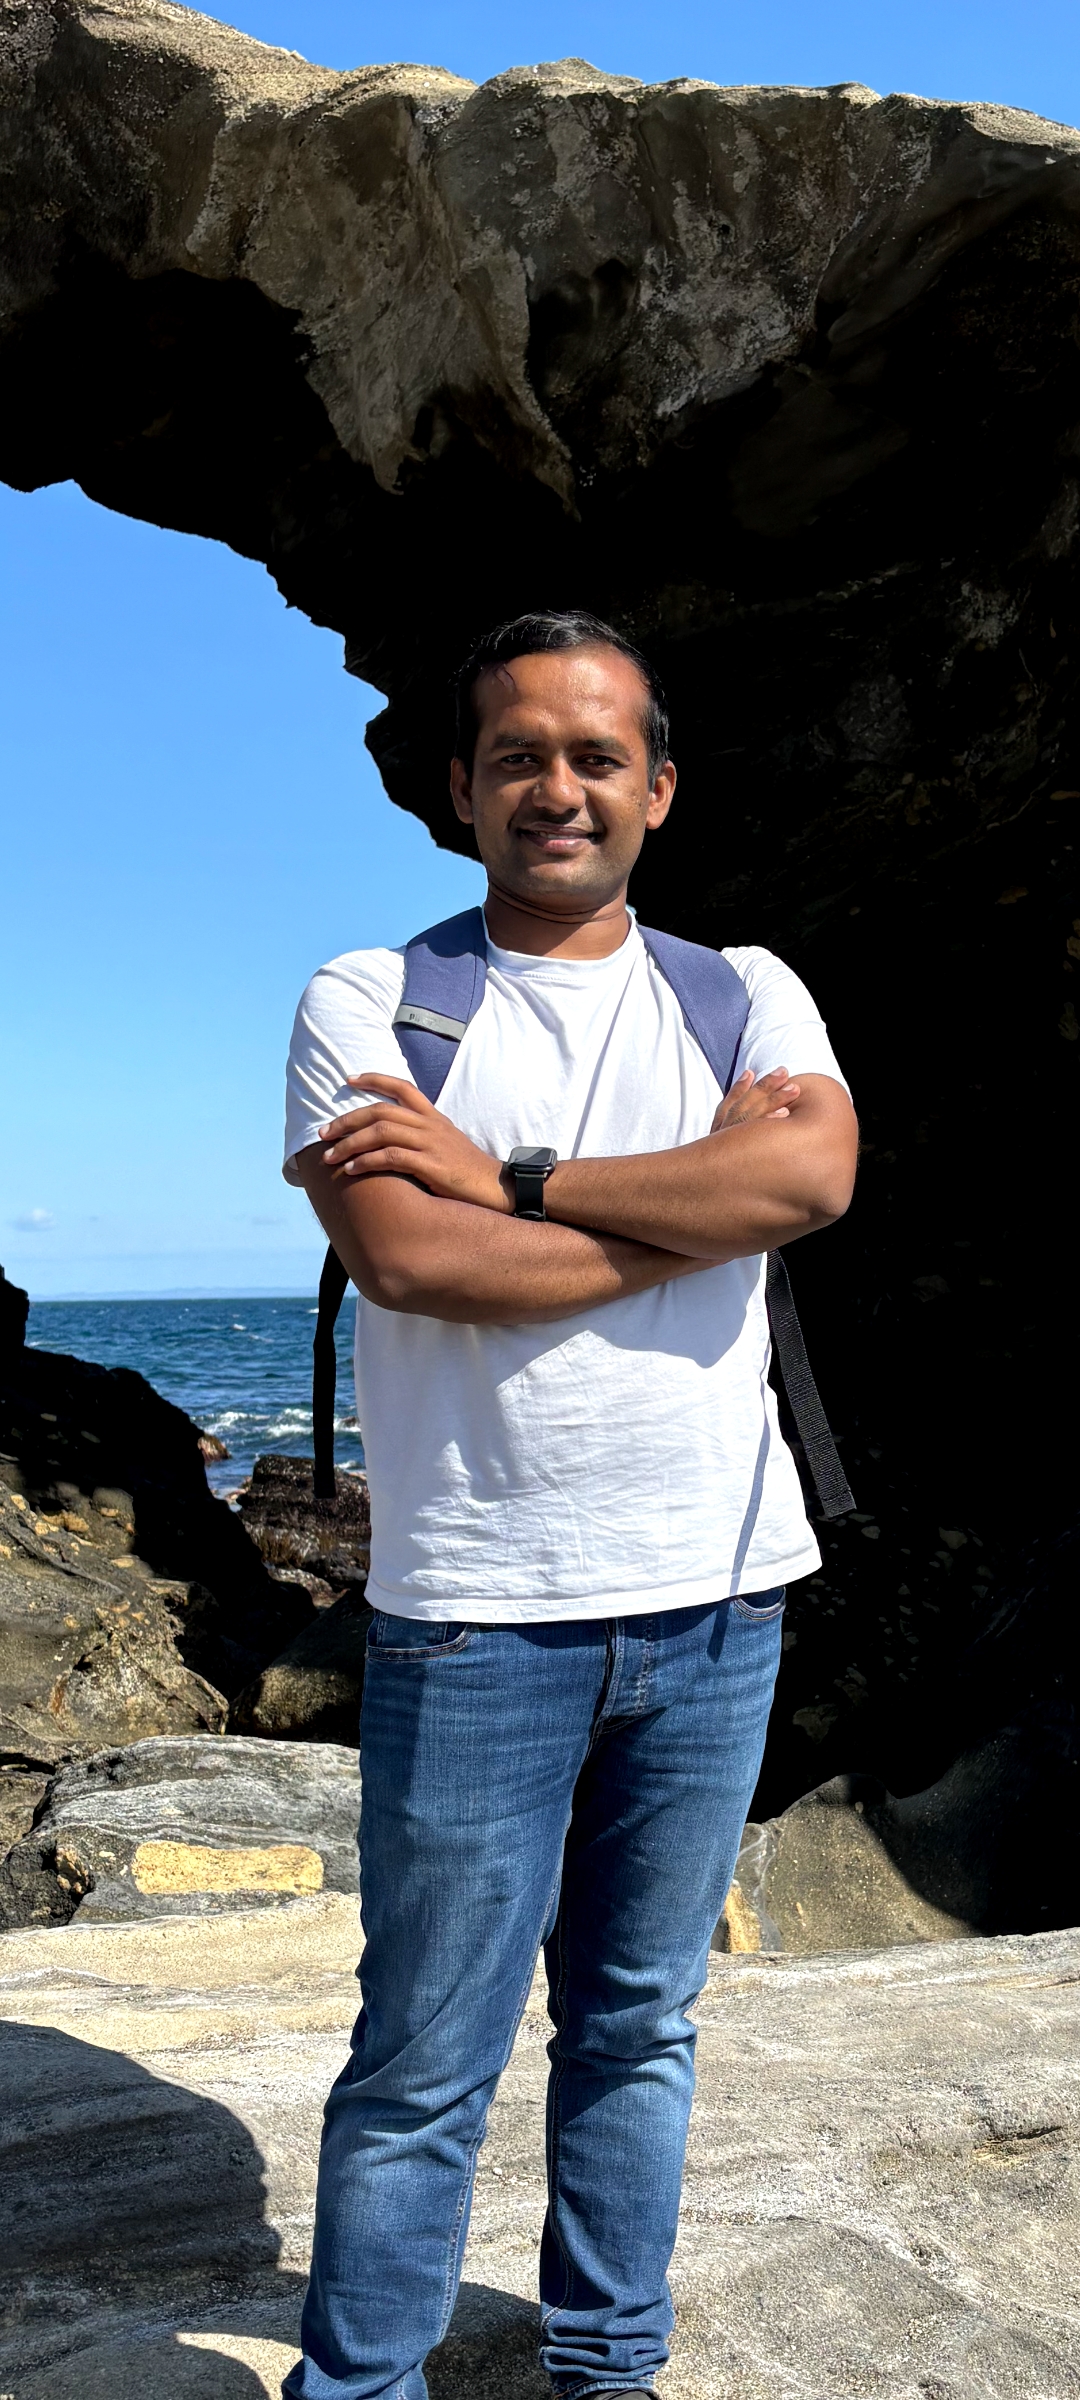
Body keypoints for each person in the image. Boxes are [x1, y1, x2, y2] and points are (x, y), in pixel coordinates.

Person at [281, 610, 857, 2400]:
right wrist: (700, 1209)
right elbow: (413, 1260)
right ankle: (360, 2387)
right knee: (423, 2062)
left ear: (657, 788)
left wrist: (514, 1179)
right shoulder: (372, 999)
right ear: (458, 789)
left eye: (598, 755)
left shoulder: (743, 987)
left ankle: (609, 2371)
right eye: (518, 755)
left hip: (722, 1597)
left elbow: (813, 1174)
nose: (559, 787)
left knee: (638, 2029)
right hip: (475, 1613)